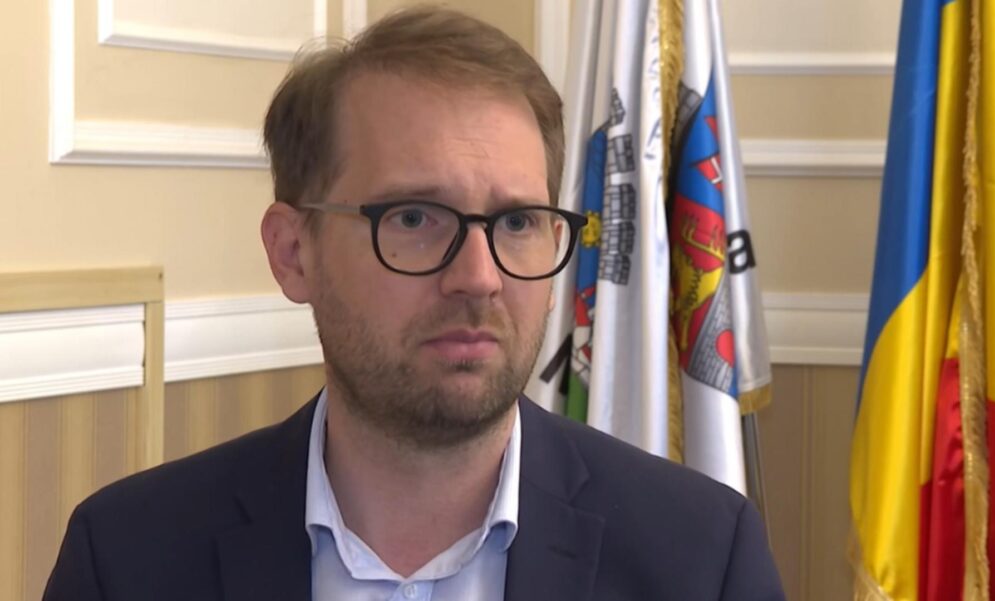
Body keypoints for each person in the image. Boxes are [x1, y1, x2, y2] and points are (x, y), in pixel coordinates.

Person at [44, 6, 785, 600]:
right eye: (413, 217)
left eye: (517, 222)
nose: (479, 277)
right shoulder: (128, 559)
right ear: (293, 252)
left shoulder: (700, 559)